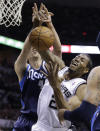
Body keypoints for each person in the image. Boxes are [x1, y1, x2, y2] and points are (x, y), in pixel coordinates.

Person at [31, 10, 92, 130]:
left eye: (81, 60)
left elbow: (70, 114)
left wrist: (56, 87)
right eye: (77, 56)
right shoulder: (58, 69)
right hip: (40, 126)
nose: (76, 59)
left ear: (86, 70)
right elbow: (55, 50)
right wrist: (42, 25)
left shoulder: (81, 87)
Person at [13, 3, 62, 131]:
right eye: (32, 44)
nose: (34, 46)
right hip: (25, 121)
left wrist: (49, 24)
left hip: (44, 122)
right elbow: (24, 50)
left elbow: (58, 51)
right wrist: (35, 26)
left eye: (38, 44)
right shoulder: (22, 67)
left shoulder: (49, 67)